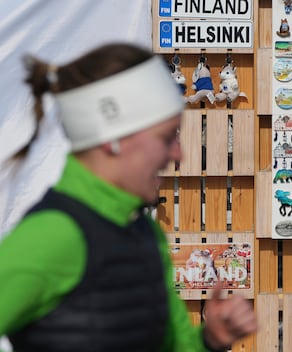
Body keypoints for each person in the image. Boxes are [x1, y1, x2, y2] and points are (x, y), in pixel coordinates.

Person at [0, 43, 257, 351]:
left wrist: (211, 339)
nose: (178, 153)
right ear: (113, 140)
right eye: (166, 138)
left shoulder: (144, 232)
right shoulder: (54, 234)